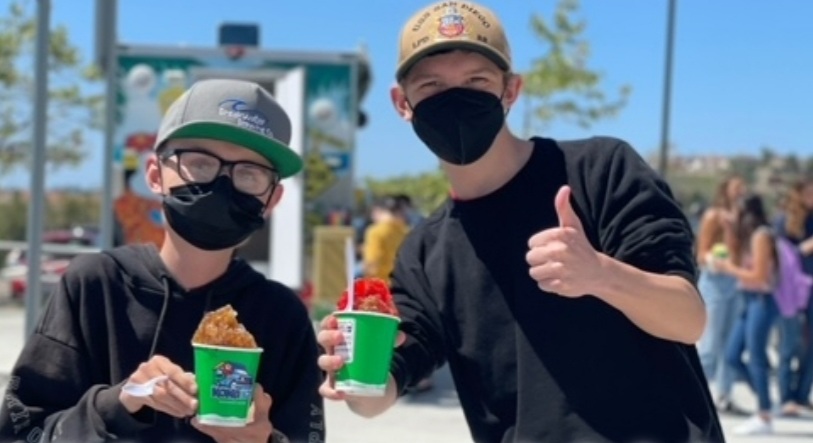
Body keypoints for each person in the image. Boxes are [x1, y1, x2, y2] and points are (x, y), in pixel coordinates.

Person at [317, 2, 723, 442]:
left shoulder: (600, 170)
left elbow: (688, 318)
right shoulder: (424, 251)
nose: (456, 99)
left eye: (477, 81)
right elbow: (381, 390)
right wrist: (350, 371)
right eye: (432, 86)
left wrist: (600, 274)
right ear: (402, 103)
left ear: (511, 91)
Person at [0, 79, 325, 443]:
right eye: (200, 163)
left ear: (273, 198)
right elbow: (22, 431)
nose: (222, 184)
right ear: (155, 175)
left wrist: (265, 440)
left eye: (249, 173)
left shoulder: (282, 315)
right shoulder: (94, 286)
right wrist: (115, 406)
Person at [716, 194, 779, 435]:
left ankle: (764, 414)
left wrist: (727, 269)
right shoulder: (748, 236)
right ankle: (767, 405)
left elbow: (759, 277)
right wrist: (729, 231)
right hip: (749, 300)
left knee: (756, 357)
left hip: (762, 300)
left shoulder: (762, 235)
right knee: (732, 356)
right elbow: (736, 259)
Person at [694, 176, 747, 414]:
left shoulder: (741, 218)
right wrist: (716, 262)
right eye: (736, 186)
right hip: (715, 280)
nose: (741, 191)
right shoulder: (713, 216)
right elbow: (701, 253)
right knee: (710, 343)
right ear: (725, 189)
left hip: (735, 281)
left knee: (729, 343)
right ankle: (697, 397)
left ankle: (725, 396)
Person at [773, 180, 813, 416]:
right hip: (792, 291)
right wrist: (804, 248)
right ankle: (786, 397)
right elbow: (781, 256)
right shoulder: (785, 220)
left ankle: (802, 395)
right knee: (790, 343)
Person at [362, 196, 410, 283]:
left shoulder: (375, 231)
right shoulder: (406, 231)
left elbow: (372, 261)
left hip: (381, 285)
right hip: (402, 284)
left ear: (378, 211)